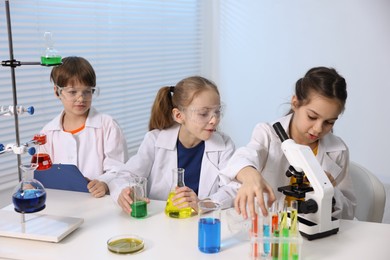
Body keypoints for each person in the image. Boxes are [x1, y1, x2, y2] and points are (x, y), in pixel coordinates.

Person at [222, 66, 357, 220]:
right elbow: (244, 157)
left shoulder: (338, 150)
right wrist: (249, 174)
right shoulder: (268, 134)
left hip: (315, 232)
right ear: (295, 103)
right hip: (272, 228)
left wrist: (329, 192)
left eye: (329, 122)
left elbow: (349, 211)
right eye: (312, 117)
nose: (318, 129)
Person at [108, 76, 238, 214]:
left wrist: (204, 203)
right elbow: (125, 175)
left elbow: (233, 188)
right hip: (161, 222)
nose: (214, 120)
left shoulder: (224, 145)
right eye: (204, 113)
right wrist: (125, 192)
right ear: (178, 115)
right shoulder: (155, 141)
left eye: (217, 112)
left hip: (201, 221)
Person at [40, 56, 129, 198]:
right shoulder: (48, 132)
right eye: (72, 92)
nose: (81, 98)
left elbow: (119, 169)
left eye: (87, 91)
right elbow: (43, 173)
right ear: (57, 91)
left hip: (99, 203)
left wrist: (104, 183)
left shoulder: (107, 125)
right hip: (62, 202)